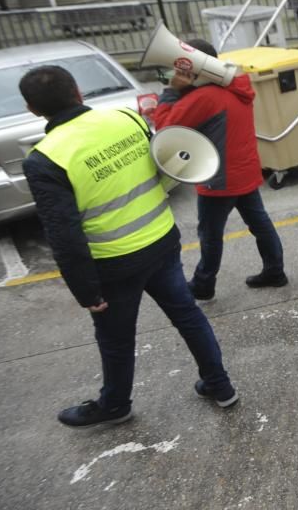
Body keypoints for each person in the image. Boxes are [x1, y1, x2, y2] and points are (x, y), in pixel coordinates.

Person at [19, 66, 238, 427]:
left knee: (116, 339)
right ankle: (220, 385)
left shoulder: (45, 158)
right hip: (161, 240)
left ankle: (115, 406)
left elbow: (64, 233)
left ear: (32, 109)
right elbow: (164, 166)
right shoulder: (126, 118)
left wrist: (85, 291)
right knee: (188, 315)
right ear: (78, 91)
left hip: (114, 264)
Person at [150, 39, 286, 300]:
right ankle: (275, 271)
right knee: (260, 223)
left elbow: (165, 131)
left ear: (195, 69)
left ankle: (203, 284)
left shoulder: (203, 97)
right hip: (244, 172)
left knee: (210, 235)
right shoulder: (238, 84)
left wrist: (170, 93)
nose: (177, 74)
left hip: (219, 179)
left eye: (182, 68)